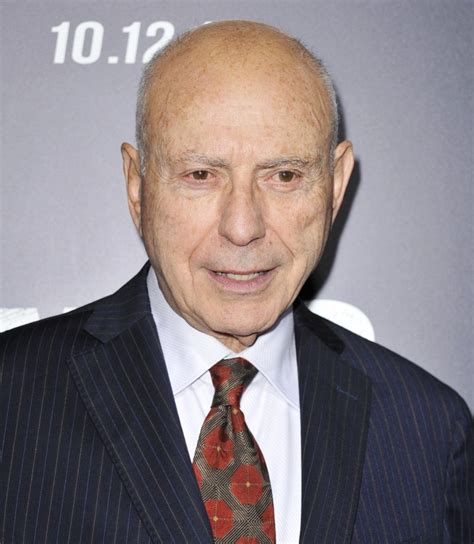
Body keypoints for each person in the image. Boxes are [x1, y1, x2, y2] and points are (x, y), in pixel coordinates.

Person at [1, 20, 472, 544]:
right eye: (201, 175)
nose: (243, 227)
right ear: (137, 186)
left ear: (336, 185)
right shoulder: (11, 399)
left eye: (284, 176)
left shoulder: (428, 429)